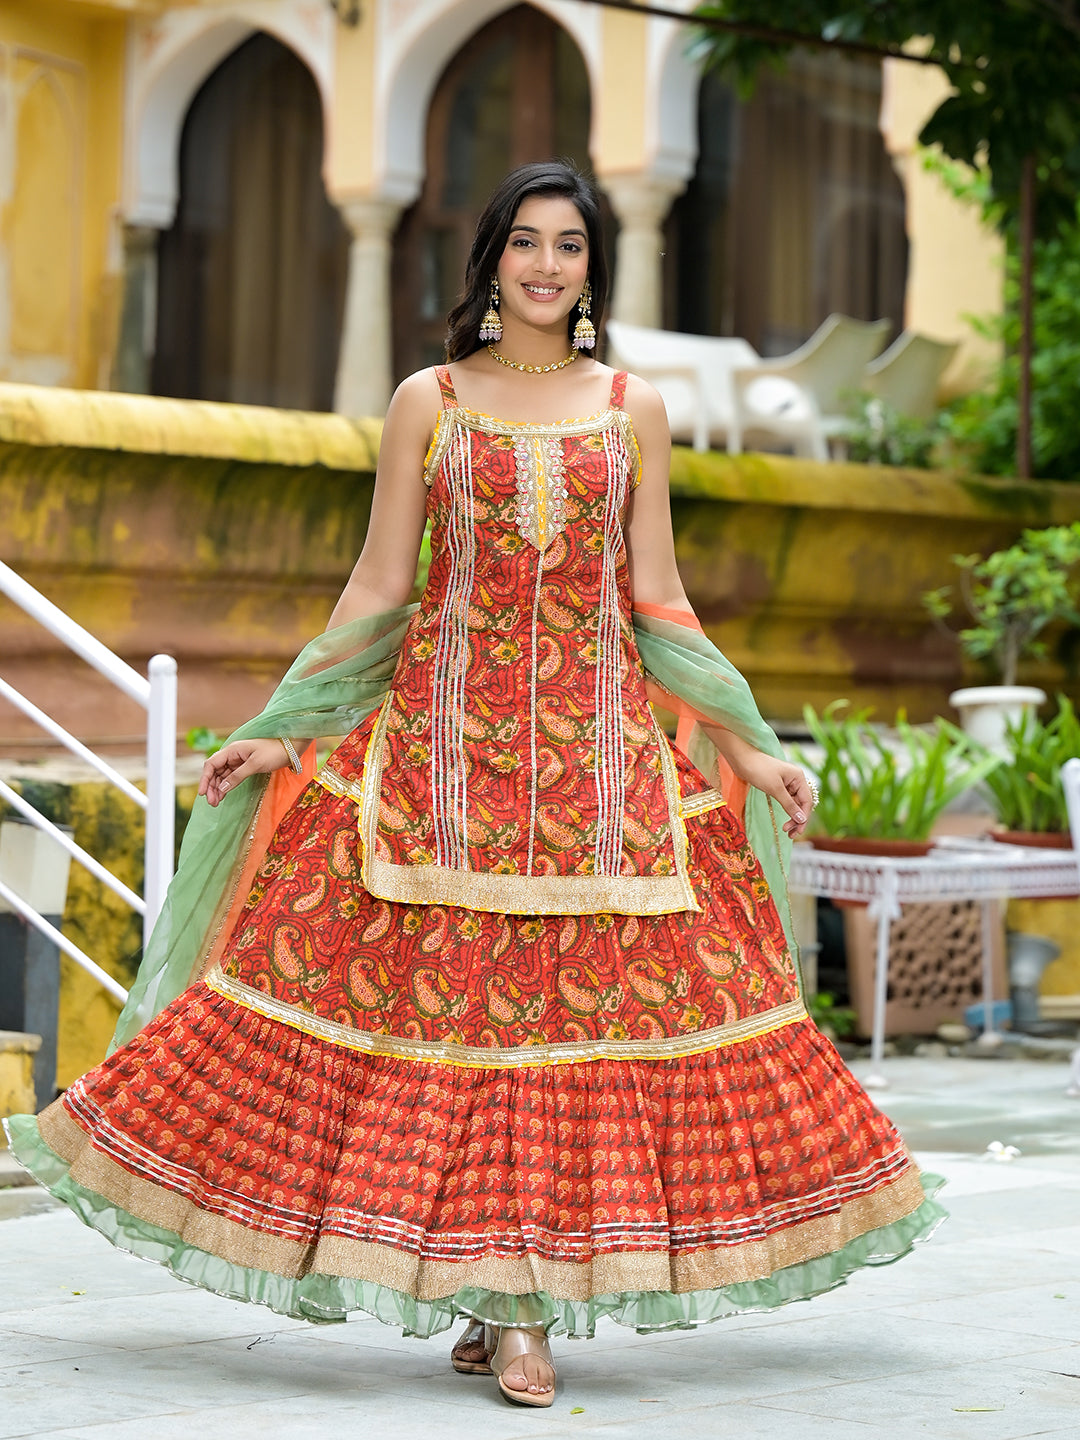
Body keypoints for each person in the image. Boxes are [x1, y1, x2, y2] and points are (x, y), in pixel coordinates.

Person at [6, 161, 944, 1410]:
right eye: (525, 244)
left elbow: (654, 598)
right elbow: (378, 587)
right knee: (452, 1031)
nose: (548, 266)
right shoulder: (429, 400)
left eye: (569, 246)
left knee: (572, 1038)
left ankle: (518, 1300)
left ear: (592, 267)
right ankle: (501, 1303)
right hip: (442, 772)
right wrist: (285, 726)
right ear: (491, 260)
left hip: (601, 775)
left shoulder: (631, 408)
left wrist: (748, 740)